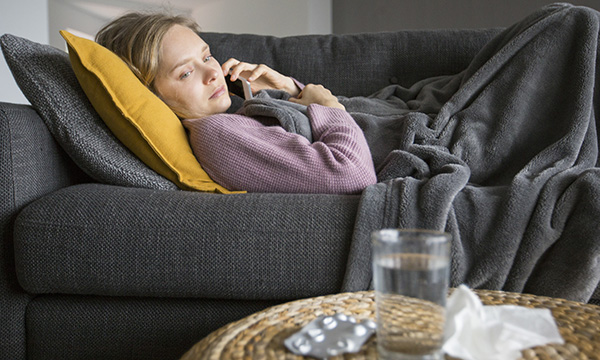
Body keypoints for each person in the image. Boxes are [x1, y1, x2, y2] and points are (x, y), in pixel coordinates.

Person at [95, 12, 377, 194]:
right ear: (150, 96)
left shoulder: (235, 116)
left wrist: (289, 90)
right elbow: (351, 174)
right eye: (185, 72)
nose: (213, 73)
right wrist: (329, 108)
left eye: (206, 57)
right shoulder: (215, 134)